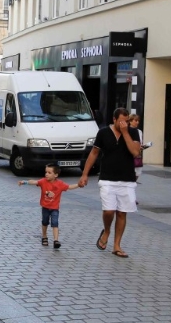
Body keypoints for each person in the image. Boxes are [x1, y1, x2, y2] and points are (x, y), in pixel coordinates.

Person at [78, 108, 141, 258]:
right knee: (108, 211)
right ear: (114, 119)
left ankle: (117, 245)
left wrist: (125, 132)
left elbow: (135, 152)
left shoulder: (133, 132)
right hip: (107, 178)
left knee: (121, 213)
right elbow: (94, 153)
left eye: (126, 121)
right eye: (121, 121)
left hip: (127, 179)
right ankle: (106, 231)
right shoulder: (103, 133)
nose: (124, 124)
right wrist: (85, 174)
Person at [18, 163, 80, 249]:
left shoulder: (60, 184)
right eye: (46, 172)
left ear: (56, 175)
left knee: (55, 223)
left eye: (49, 172)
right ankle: (44, 236)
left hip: (55, 208)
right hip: (45, 207)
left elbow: (69, 187)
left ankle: (56, 240)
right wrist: (24, 182)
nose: (46, 174)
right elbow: (34, 181)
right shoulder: (43, 181)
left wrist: (78, 185)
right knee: (45, 222)